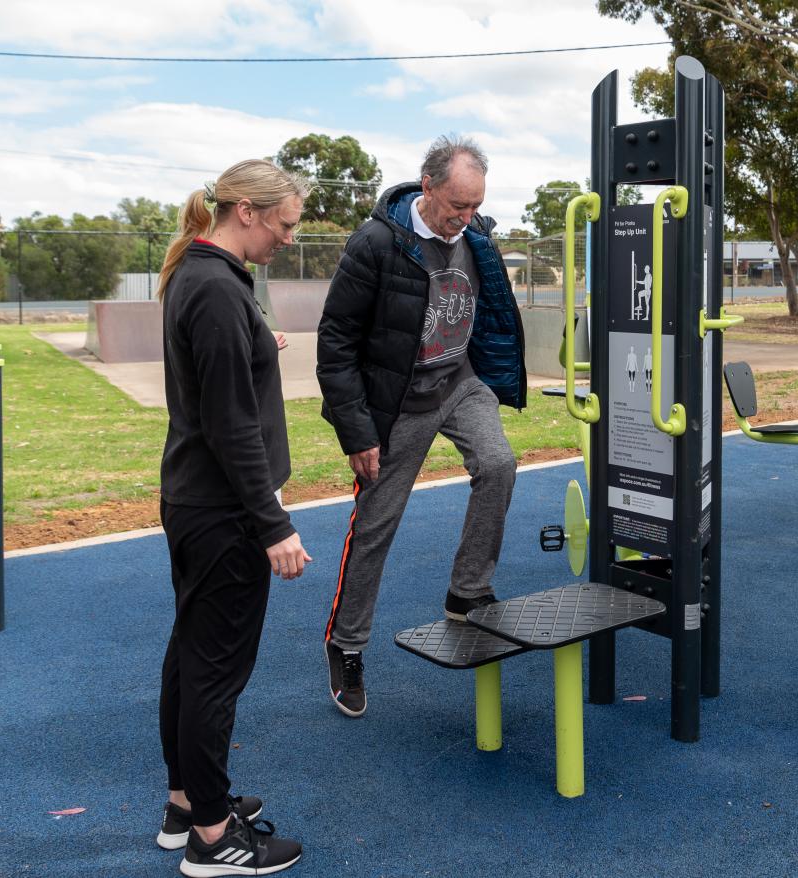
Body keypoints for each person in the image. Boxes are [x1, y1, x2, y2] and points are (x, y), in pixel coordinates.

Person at [317, 135, 526, 717]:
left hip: (458, 382)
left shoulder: (476, 235)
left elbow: (493, 310)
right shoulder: (377, 243)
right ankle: (347, 645)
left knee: (499, 463)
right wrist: (357, 432)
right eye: (457, 205)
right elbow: (336, 343)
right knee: (377, 524)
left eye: (475, 205)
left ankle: (468, 592)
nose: (466, 218)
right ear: (427, 186)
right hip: (399, 403)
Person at [156, 159, 311, 875]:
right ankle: (214, 840)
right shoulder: (217, 288)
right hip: (222, 512)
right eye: (283, 224)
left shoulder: (203, 276)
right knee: (215, 672)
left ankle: (190, 803)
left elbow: (217, 381)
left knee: (192, 657)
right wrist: (273, 523)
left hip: (196, 500)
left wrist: (256, 347)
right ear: (246, 211)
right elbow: (230, 424)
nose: (287, 237)